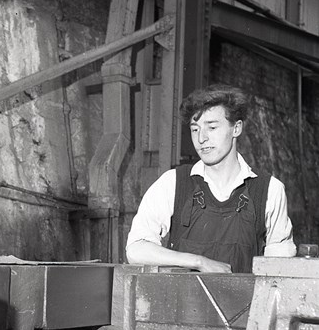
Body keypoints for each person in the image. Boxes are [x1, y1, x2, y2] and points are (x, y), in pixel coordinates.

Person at [126, 84, 296, 273]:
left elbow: (280, 271)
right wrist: (198, 261)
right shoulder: (173, 182)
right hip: (182, 301)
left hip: (244, 301)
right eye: (195, 129)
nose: (201, 139)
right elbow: (136, 249)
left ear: (236, 128)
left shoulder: (269, 190)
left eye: (212, 127)